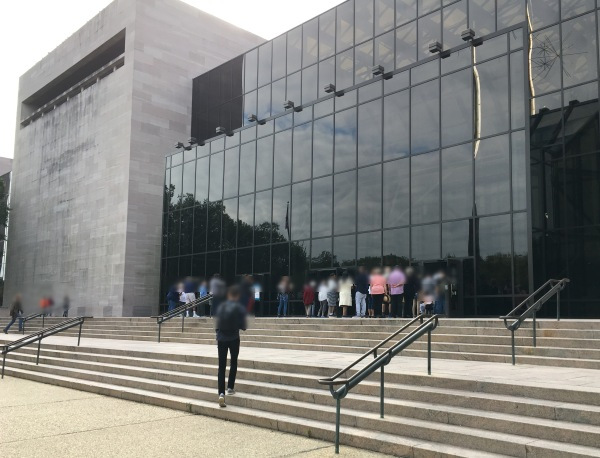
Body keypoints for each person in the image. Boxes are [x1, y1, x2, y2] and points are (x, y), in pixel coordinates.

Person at [215, 285, 247, 408]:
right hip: (234, 338)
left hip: (222, 339)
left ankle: (221, 394)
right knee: (233, 362)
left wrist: (218, 334)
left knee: (221, 367)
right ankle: (230, 387)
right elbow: (243, 326)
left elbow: (217, 325)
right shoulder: (239, 307)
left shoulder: (221, 306)